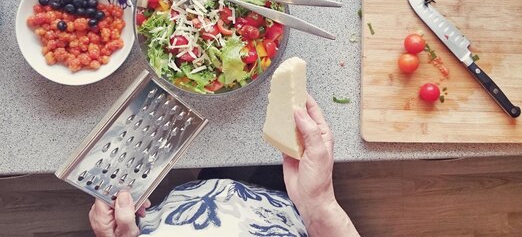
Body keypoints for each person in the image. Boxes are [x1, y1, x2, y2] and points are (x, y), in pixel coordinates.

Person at [89, 95, 359, 236]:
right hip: (287, 213)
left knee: (220, 170)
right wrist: (318, 206)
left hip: (175, 211)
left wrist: (119, 233)